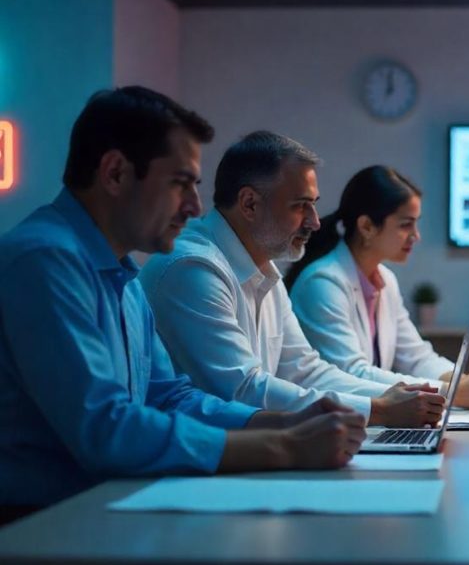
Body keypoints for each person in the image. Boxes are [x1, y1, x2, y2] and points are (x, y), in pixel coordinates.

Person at [0, 88, 366, 518]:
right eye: (180, 184)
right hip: (38, 525)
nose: (194, 207)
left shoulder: (122, 273)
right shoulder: (44, 259)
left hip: (102, 510)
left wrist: (282, 421)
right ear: (116, 173)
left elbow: (169, 395)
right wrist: (282, 446)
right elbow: (106, 429)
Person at [140, 131, 445, 428]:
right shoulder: (194, 267)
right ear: (249, 204)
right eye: (300, 205)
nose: (314, 221)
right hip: (196, 467)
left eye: (313, 204)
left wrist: (401, 400)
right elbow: (242, 390)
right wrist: (377, 410)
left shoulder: (264, 269)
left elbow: (306, 371)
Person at [284, 165, 469, 409]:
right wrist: (452, 392)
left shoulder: (385, 279)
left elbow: (416, 356)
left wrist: (465, 383)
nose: (416, 235)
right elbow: (352, 372)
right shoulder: (323, 283)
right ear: (367, 226)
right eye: (405, 225)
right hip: (328, 423)